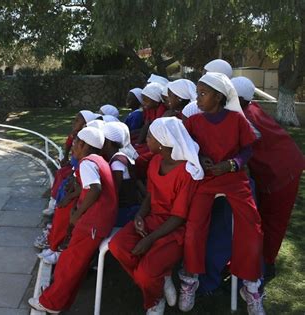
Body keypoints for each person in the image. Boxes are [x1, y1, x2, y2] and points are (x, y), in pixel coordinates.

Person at [180, 72, 265, 315]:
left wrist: (230, 165)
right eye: (197, 94)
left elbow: (247, 150)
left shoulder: (237, 120)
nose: (197, 99)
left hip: (234, 178)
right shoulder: (194, 122)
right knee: (195, 226)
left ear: (218, 97)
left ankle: (250, 285)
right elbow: (186, 146)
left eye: (203, 94)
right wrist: (199, 157)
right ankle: (190, 279)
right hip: (206, 179)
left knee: (251, 224)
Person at [109, 117, 203, 315]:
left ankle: (154, 299)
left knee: (145, 273)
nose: (146, 141)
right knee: (117, 246)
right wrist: (140, 216)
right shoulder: (155, 162)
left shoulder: (186, 172)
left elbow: (178, 217)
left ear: (162, 144)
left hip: (173, 231)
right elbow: (151, 196)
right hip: (152, 221)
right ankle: (158, 282)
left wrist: (150, 240)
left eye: (150, 137)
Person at [29, 126, 118, 313]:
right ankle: (59, 299)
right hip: (98, 222)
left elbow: (95, 188)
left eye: (76, 142)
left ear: (84, 144)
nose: (73, 145)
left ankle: (51, 303)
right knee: (73, 263)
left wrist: (77, 215)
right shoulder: (99, 160)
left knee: (70, 264)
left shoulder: (86, 163)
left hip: (92, 223)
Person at [232, 76, 305, 279]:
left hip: (283, 170)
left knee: (274, 220)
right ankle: (258, 259)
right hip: (278, 166)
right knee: (263, 216)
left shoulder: (245, 117)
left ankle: (266, 264)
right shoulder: (248, 109)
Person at [102, 121, 141, 227]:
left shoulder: (117, 162)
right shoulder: (121, 155)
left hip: (125, 211)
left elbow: (115, 191)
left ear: (108, 142)